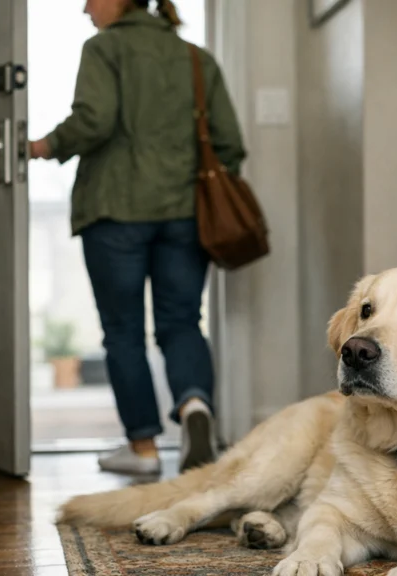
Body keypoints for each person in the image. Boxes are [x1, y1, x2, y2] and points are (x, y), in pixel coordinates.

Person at [29, 0, 246, 475]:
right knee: (182, 321)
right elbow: (229, 144)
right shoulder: (196, 59)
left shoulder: (104, 48)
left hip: (115, 211)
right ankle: (194, 406)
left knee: (123, 331)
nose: (84, 8)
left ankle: (144, 449)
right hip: (186, 215)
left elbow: (94, 119)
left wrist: (44, 146)